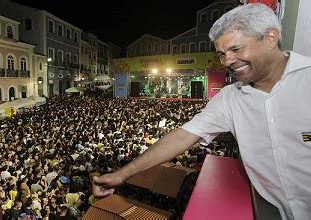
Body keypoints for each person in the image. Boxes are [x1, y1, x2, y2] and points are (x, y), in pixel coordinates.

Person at [92, 3, 311, 220]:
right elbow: (181, 137)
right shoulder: (229, 98)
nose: (228, 61)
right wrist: (122, 174)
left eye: (236, 49)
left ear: (270, 38)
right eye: (222, 54)